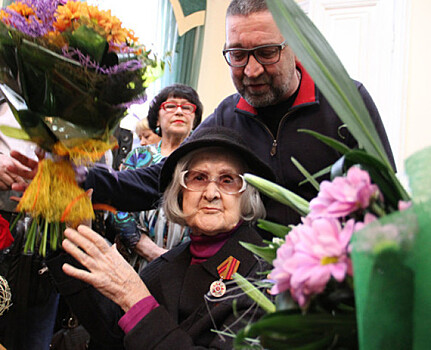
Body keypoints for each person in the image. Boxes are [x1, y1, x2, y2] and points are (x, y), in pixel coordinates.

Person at [8, 0, 395, 237]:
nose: (252, 70)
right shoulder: (229, 113)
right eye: (237, 55)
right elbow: (159, 178)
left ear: (295, 46)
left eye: (266, 52)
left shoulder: (347, 102)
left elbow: (385, 200)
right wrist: (83, 178)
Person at [46, 126, 274, 349]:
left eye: (227, 180)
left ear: (247, 194)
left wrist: (137, 300)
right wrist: (76, 238)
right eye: (198, 178)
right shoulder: (167, 265)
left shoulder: (265, 276)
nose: (211, 193)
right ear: (180, 191)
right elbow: (113, 335)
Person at [112, 84, 203, 269]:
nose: (179, 111)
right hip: (136, 261)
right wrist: (150, 251)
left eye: (187, 107)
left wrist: (176, 257)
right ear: (157, 120)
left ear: (194, 120)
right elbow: (117, 207)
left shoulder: (203, 161)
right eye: (170, 106)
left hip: (185, 265)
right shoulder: (138, 156)